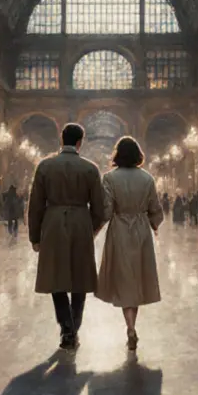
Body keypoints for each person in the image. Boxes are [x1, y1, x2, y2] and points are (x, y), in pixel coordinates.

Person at [29, 123, 106, 351]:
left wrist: (35, 236)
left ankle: (66, 328)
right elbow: (100, 210)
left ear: (61, 140)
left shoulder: (45, 166)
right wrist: (89, 228)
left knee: (56, 276)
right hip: (81, 222)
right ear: (81, 142)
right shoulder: (90, 169)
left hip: (53, 224)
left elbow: (35, 206)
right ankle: (74, 327)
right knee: (79, 278)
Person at [96, 137, 163, 352]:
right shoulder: (147, 179)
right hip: (141, 231)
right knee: (137, 279)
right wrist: (154, 224)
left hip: (120, 231)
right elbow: (155, 209)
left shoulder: (109, 179)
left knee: (124, 279)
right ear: (138, 156)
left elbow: (106, 211)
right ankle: (133, 326)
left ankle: (130, 327)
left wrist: (95, 229)